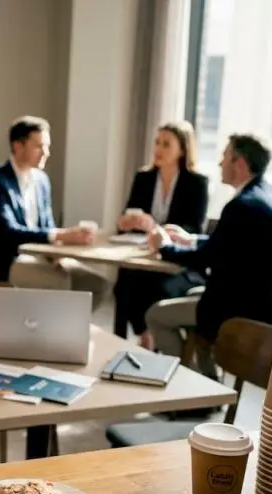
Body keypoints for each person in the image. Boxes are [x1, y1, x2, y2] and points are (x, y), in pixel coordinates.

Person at [145, 133, 272, 379]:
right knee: (191, 294)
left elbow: (206, 259)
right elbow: (232, 246)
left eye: (224, 156)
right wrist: (191, 239)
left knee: (156, 315)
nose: (219, 163)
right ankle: (207, 380)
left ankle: (193, 386)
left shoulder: (242, 206)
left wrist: (165, 247)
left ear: (239, 163)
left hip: (244, 312)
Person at [0, 116, 108, 308]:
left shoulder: (42, 181)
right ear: (18, 146)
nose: (46, 153)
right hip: (7, 261)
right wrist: (61, 235)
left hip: (40, 255)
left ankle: (67, 332)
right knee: (60, 282)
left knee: (96, 283)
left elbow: (47, 225)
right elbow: (7, 232)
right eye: (39, 146)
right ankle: (53, 332)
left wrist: (57, 252)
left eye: (47, 146)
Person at [113, 121, 209, 348]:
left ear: (182, 150)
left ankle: (149, 337)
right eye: (157, 142)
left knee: (152, 287)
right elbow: (127, 217)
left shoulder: (196, 183)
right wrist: (125, 221)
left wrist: (155, 225)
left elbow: (194, 229)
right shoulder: (143, 178)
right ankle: (131, 338)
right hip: (144, 252)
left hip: (177, 262)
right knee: (123, 283)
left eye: (166, 144)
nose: (158, 149)